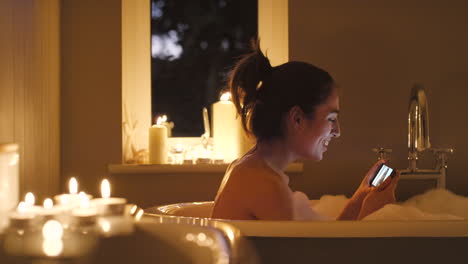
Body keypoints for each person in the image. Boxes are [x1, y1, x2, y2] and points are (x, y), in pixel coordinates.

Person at [210, 41, 399, 220]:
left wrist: (360, 198)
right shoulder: (267, 187)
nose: (337, 131)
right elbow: (324, 254)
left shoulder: (253, 169)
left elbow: (320, 246)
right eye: (331, 119)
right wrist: (371, 213)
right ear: (297, 118)